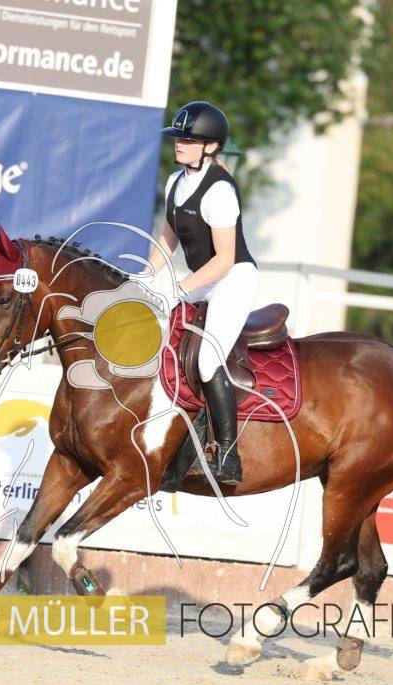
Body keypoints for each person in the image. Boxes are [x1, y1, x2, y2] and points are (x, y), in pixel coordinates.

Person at [145, 100, 257, 486]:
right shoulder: (175, 182)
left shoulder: (220, 191)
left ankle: (227, 454)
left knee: (208, 360)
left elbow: (224, 259)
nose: (180, 144)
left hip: (233, 279)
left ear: (210, 146)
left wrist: (179, 288)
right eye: (178, 138)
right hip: (203, 279)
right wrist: (145, 277)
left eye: (189, 140)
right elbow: (167, 238)